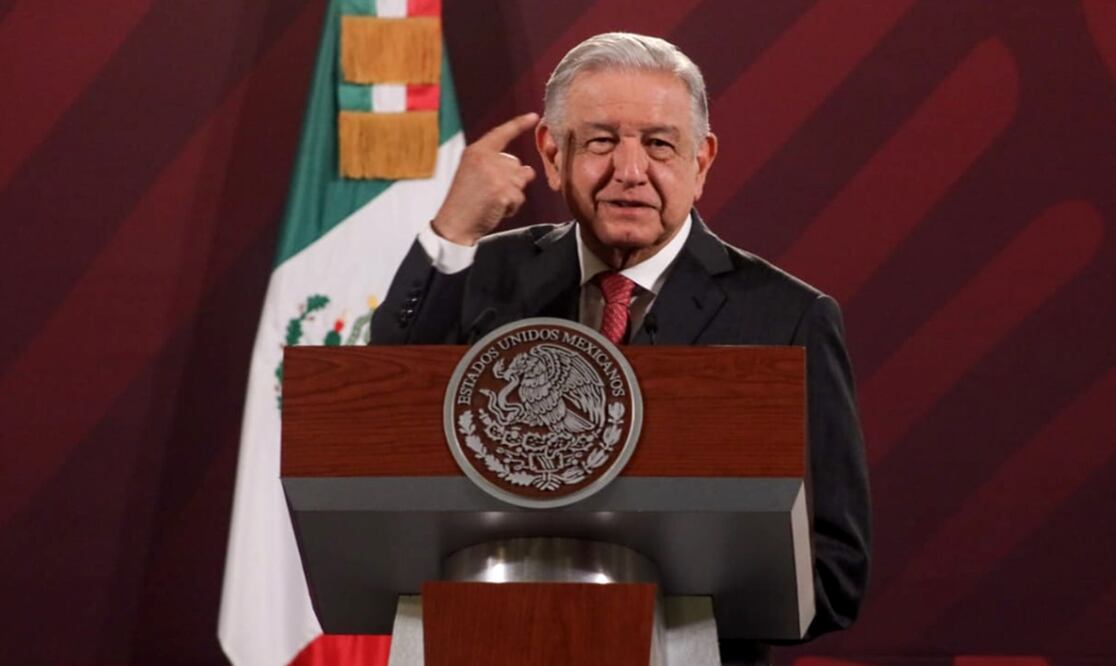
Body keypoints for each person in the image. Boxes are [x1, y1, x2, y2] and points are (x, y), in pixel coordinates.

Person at [370, 32, 870, 665]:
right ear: (552, 156)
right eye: (601, 141)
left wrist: (645, 599)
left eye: (659, 144)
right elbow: (379, 426)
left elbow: (836, 571)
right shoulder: (484, 273)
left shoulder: (788, 317)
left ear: (702, 161)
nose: (630, 172)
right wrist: (452, 233)